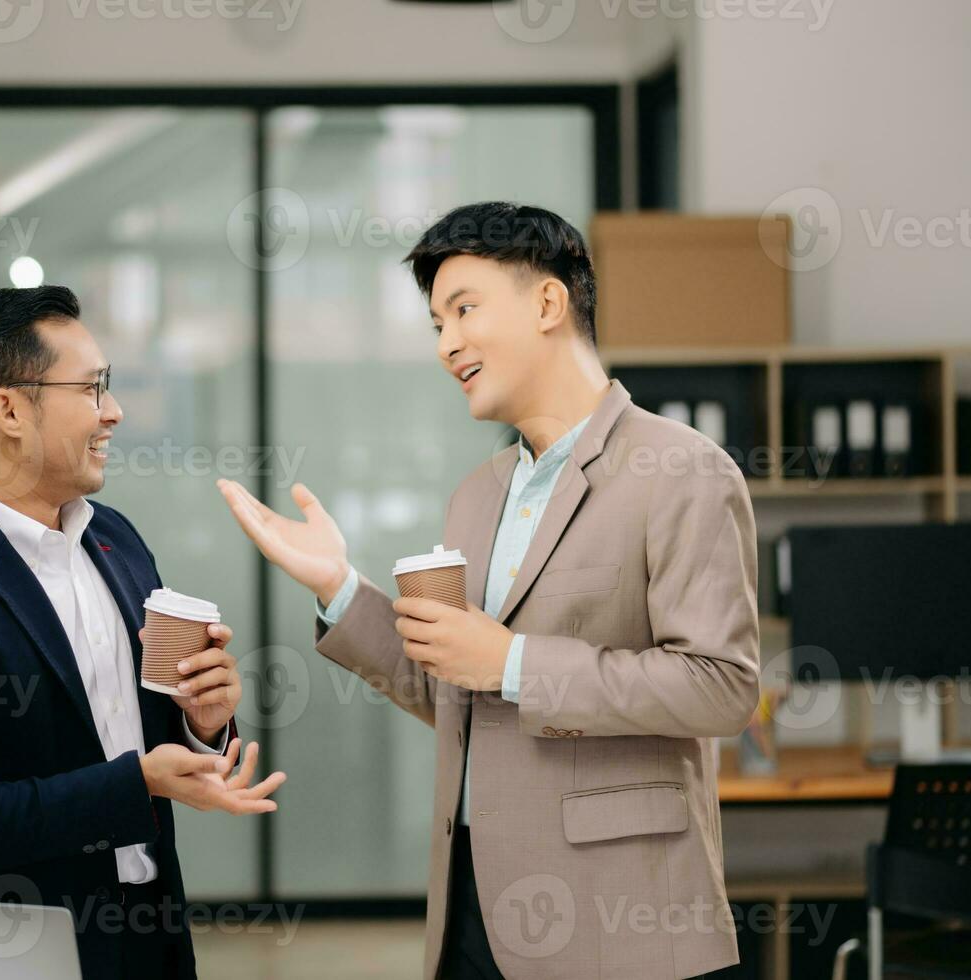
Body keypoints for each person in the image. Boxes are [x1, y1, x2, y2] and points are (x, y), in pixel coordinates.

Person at [219, 202, 759, 979]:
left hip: (618, 920)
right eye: (437, 323)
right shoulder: (478, 493)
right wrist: (338, 585)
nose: (447, 345)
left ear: (548, 303)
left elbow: (723, 688)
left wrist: (513, 662)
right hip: (473, 912)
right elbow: (455, 691)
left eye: (464, 310)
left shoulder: (681, 470)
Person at [0, 285, 283, 979]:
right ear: (8, 410)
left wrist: (201, 722)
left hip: (149, 936)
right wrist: (135, 784)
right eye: (92, 388)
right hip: (8, 953)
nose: (114, 411)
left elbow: (134, 733)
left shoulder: (113, 539)